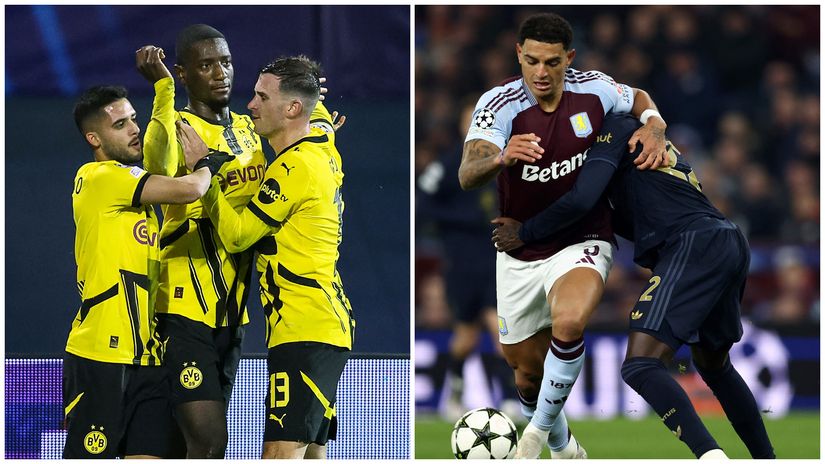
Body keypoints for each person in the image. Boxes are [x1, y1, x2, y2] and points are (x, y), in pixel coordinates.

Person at [493, 113, 776, 459]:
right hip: (724, 240)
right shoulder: (613, 159)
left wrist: (523, 232)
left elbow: (581, 200)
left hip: (693, 243)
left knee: (640, 365)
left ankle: (711, 456)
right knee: (715, 366)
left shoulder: (616, 131)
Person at [457, 12, 669, 459]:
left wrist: (654, 124)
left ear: (568, 59)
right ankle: (566, 448)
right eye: (531, 60)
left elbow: (637, 98)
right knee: (526, 376)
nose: (540, 72)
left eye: (552, 62)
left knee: (570, 321)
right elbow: (466, 173)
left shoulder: (593, 88)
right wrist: (499, 159)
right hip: (518, 249)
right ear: (518, 54)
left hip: (583, 236)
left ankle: (532, 437)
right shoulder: (498, 105)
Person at [194, 56, 353, 459]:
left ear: (292, 109)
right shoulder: (322, 142)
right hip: (323, 324)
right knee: (310, 454)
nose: (250, 105)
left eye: (261, 97)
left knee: (280, 455)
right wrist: (308, 87)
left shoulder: (294, 167)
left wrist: (203, 176)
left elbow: (237, 236)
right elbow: (317, 119)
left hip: (305, 328)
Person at [64, 85, 231, 459]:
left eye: (133, 119)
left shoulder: (138, 196)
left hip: (148, 357)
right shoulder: (98, 177)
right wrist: (204, 163)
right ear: (94, 138)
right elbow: (190, 189)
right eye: (120, 124)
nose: (134, 129)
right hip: (101, 355)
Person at [416, 96, 520, 421]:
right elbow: (422, 204)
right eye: (474, 118)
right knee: (465, 338)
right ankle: (456, 394)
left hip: (497, 261)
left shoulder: (508, 165)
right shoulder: (446, 165)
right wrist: (465, 220)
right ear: (465, 126)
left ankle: (508, 400)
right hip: (460, 262)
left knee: (500, 332)